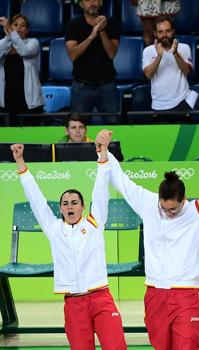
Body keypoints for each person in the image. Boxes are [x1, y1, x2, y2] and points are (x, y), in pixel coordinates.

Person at [105, 145, 199, 349]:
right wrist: (104, 151)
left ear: (183, 200)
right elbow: (122, 182)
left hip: (186, 294)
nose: (168, 212)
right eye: (164, 208)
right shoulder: (148, 204)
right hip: (154, 293)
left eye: (173, 209)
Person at [10, 134, 126, 350]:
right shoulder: (54, 228)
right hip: (74, 304)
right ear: (61, 208)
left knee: (116, 347)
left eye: (74, 202)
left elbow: (101, 190)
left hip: (101, 299)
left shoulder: (94, 222)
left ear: (83, 206)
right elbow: (36, 199)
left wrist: (102, 154)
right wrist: (20, 162)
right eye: (65, 203)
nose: (70, 206)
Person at [66, 0, 121, 121]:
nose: (92, 3)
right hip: (81, 86)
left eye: (95, 0)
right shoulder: (73, 24)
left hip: (107, 85)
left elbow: (111, 53)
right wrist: (91, 36)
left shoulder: (111, 23)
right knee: (78, 128)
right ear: (81, 4)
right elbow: (72, 55)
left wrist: (101, 30)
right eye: (87, 0)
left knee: (114, 126)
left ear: (101, 3)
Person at [142, 17, 197, 121]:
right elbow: (148, 75)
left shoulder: (184, 48)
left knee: (184, 137)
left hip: (182, 102)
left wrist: (175, 53)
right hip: (158, 105)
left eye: (167, 31)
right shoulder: (148, 51)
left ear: (173, 31)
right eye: (160, 32)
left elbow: (187, 71)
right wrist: (159, 56)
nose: (164, 35)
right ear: (155, 34)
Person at [0, 15, 43, 116]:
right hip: (7, 99)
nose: (18, 27)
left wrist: (11, 31)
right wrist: (8, 37)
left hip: (29, 100)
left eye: (22, 25)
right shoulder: (3, 43)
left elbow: (24, 51)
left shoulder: (33, 42)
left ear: (27, 30)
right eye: (15, 25)